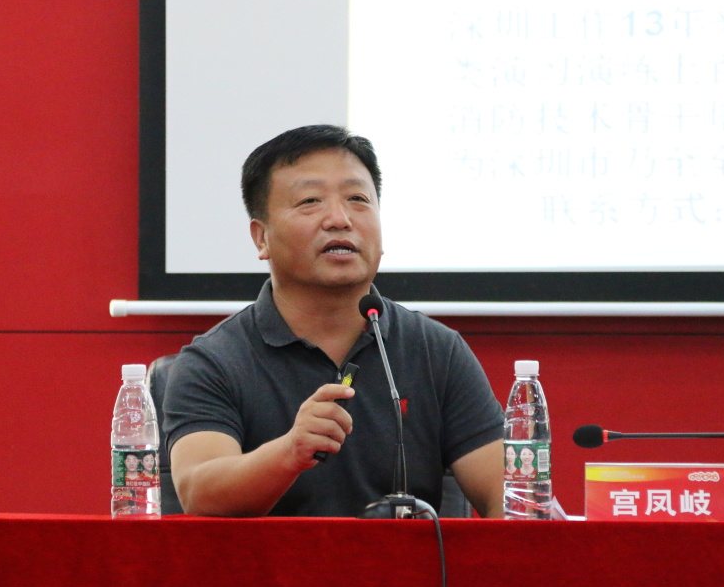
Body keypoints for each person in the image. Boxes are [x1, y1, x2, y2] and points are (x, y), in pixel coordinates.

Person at [163, 124, 504, 517]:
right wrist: (289, 452)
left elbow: (511, 498)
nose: (340, 219)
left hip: (405, 560)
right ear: (261, 238)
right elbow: (200, 493)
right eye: (310, 201)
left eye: (358, 199)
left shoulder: (436, 351)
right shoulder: (214, 361)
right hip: (272, 560)